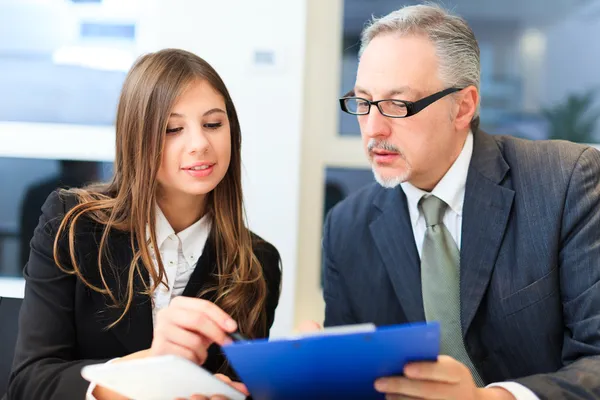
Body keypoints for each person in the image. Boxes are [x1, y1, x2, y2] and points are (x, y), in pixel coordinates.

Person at [316, 4, 600, 400]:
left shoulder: (563, 182)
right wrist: (316, 370)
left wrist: (489, 399)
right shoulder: (347, 226)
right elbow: (351, 385)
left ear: (463, 106)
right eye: (363, 102)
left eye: (399, 105)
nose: (373, 128)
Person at [6, 48, 281, 400]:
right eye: (172, 129)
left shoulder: (257, 262)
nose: (199, 144)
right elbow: (29, 384)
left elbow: (242, 385)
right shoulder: (71, 223)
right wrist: (147, 372)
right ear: (138, 138)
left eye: (213, 124)